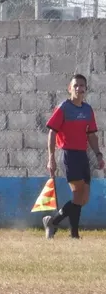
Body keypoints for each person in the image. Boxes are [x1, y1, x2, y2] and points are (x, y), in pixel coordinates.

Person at [44, 73, 104, 239]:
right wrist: (51, 157)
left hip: (82, 156)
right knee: (78, 194)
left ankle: (54, 222)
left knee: (83, 198)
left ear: (86, 89)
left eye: (82, 85)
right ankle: (74, 235)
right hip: (68, 155)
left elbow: (91, 135)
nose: (79, 88)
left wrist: (98, 154)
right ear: (69, 88)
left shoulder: (87, 110)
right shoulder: (64, 107)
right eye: (75, 85)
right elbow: (52, 132)